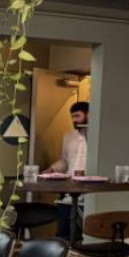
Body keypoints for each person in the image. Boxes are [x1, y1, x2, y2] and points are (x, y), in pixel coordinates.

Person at [44, 101, 88, 238]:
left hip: (88, 191)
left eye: (78, 116)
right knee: (63, 231)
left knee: (83, 232)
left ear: (88, 115)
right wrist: (52, 169)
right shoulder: (68, 136)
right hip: (68, 190)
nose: (74, 120)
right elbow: (64, 160)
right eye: (72, 117)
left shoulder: (97, 136)